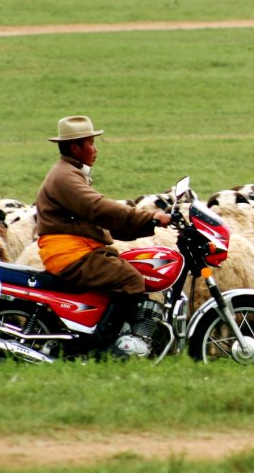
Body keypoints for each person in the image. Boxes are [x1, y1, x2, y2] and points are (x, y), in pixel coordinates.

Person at [35, 115, 171, 348]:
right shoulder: (66, 177)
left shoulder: (70, 172)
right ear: (75, 147)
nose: (95, 149)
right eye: (90, 143)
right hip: (71, 254)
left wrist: (145, 225)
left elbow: (100, 220)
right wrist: (149, 217)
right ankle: (104, 347)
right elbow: (99, 208)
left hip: (77, 250)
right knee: (130, 280)